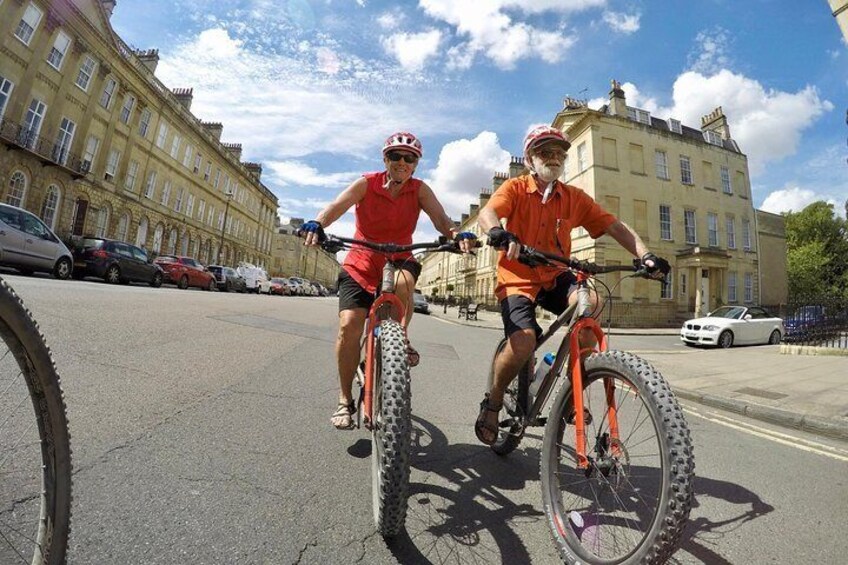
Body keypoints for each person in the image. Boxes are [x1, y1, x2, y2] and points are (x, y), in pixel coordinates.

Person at [474, 125, 670, 445]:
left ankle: (571, 392)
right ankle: (493, 401)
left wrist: (645, 255)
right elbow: (489, 212)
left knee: (589, 303)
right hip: (518, 277)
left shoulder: (573, 198)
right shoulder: (516, 188)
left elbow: (614, 226)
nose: (553, 158)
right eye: (545, 152)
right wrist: (499, 232)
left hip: (555, 273)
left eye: (559, 153)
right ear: (529, 159)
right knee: (523, 340)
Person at [300, 132, 477, 430]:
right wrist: (319, 223)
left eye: (410, 158)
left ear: (416, 164)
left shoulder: (420, 190)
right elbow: (337, 206)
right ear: (385, 159)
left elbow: (440, 218)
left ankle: (399, 338)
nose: (402, 162)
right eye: (396, 156)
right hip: (362, 261)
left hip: (399, 257)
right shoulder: (366, 183)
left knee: (405, 283)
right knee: (349, 326)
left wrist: (456, 234)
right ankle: (345, 400)